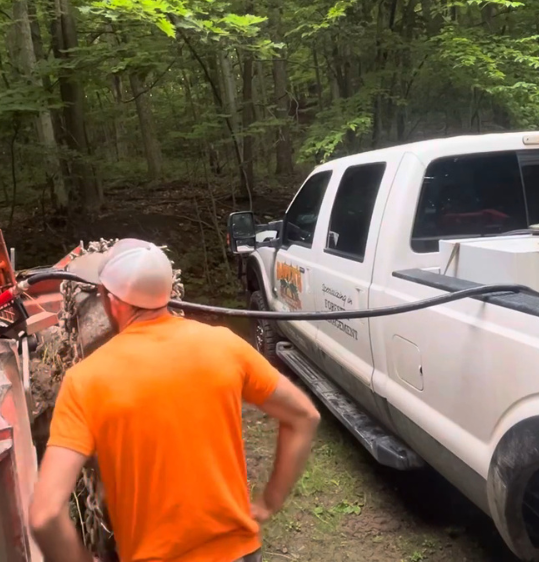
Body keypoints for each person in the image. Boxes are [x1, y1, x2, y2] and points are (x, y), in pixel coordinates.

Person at [31, 239, 321, 562]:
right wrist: (270, 500)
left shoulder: (85, 380)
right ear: (168, 293)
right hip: (238, 553)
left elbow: (44, 515)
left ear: (111, 301)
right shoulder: (225, 346)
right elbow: (304, 416)